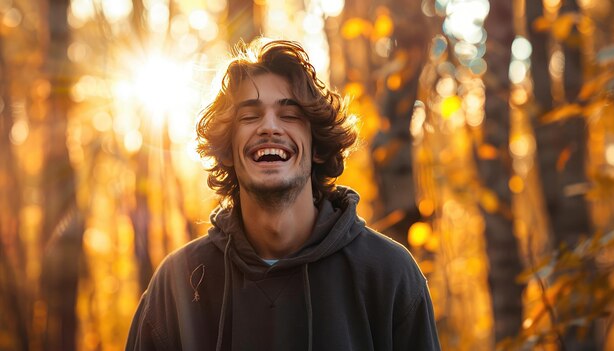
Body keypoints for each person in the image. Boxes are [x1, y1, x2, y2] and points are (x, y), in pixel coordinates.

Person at [125, 38, 440, 351]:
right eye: (250, 116)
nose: (269, 127)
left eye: (289, 115)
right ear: (228, 151)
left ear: (317, 146)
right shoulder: (177, 287)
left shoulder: (389, 273)